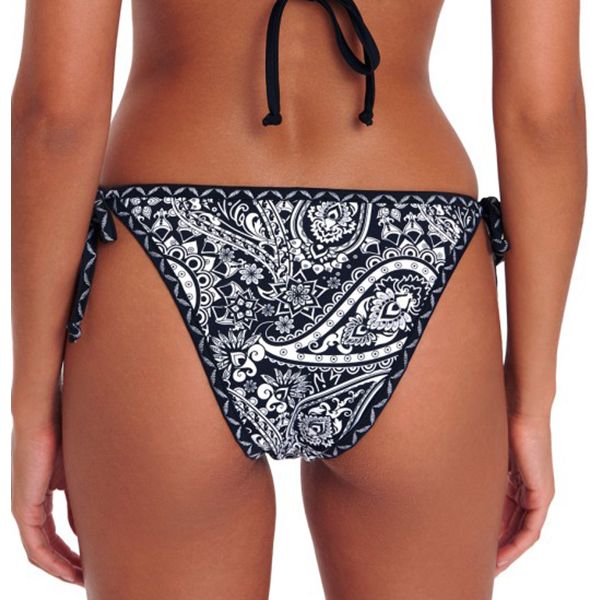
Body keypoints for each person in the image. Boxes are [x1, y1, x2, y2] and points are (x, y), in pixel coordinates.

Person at [11, 1, 586, 598]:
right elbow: (542, 117)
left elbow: (57, 117)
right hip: (414, 243)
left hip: (170, 241)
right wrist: (530, 402)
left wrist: (33, 411)